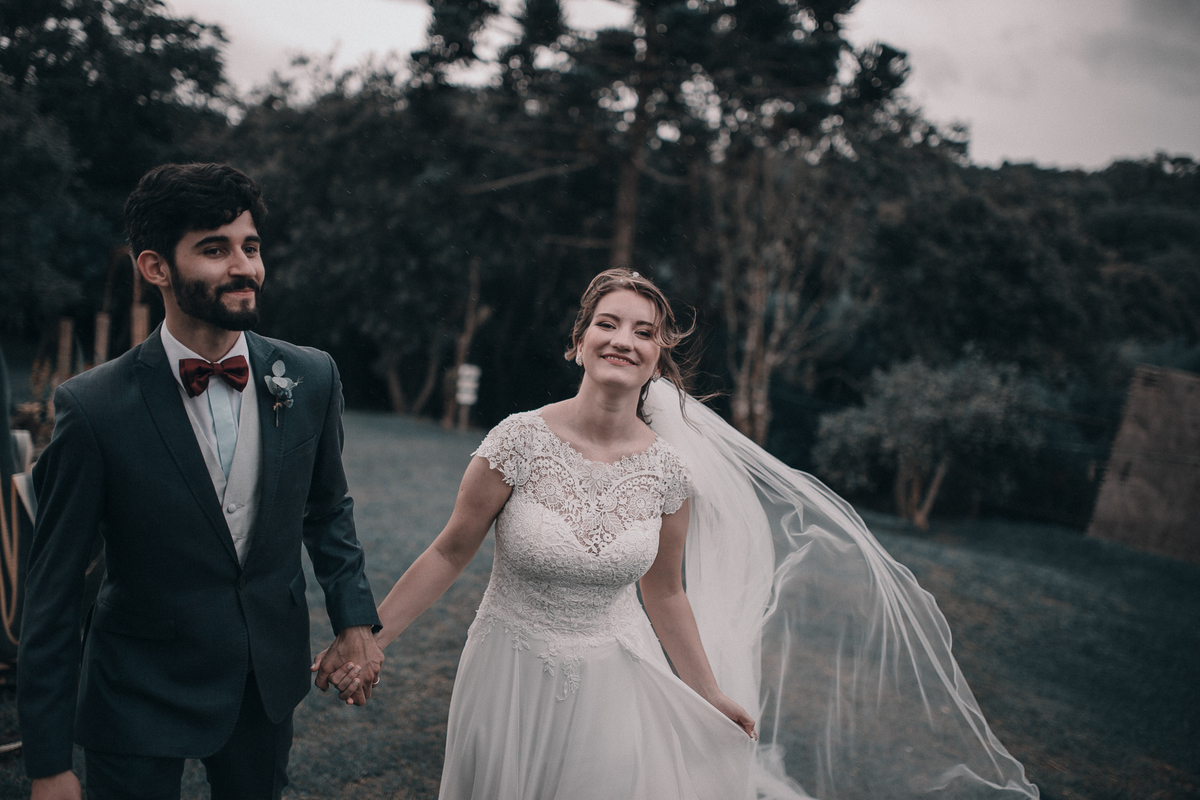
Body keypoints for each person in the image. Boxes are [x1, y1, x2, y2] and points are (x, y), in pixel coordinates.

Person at [329, 268, 1040, 799]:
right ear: (578, 343)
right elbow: (451, 549)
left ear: (657, 358)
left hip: (614, 676)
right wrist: (371, 638)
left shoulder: (670, 474)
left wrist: (707, 693)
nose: (624, 340)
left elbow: (666, 594)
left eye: (644, 332)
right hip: (507, 668)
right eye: (608, 323)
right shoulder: (516, 441)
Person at [18, 163, 383, 800]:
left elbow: (327, 510)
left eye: (251, 246)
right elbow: (50, 594)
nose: (244, 267)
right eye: (214, 249)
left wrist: (355, 621)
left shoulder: (312, 376)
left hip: (262, 681)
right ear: (155, 267)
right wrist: (49, 765)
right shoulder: (92, 407)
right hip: (137, 686)